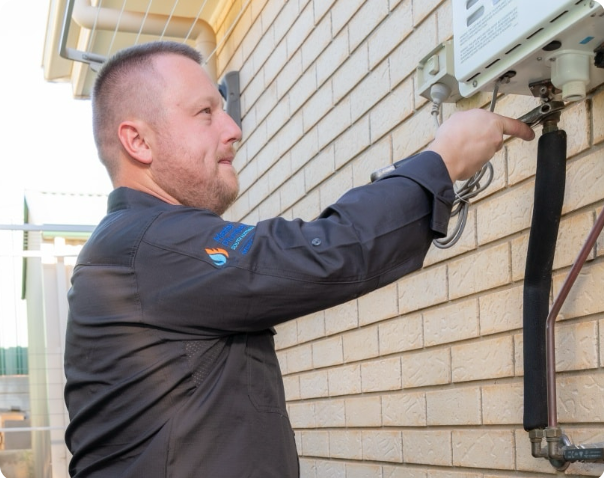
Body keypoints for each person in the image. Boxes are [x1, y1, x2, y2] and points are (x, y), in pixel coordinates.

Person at [64, 41, 535, 478]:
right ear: (138, 142)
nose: (234, 131)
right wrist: (440, 162)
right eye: (205, 113)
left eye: (225, 111)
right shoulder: (149, 245)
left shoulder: (135, 249)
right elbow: (323, 251)